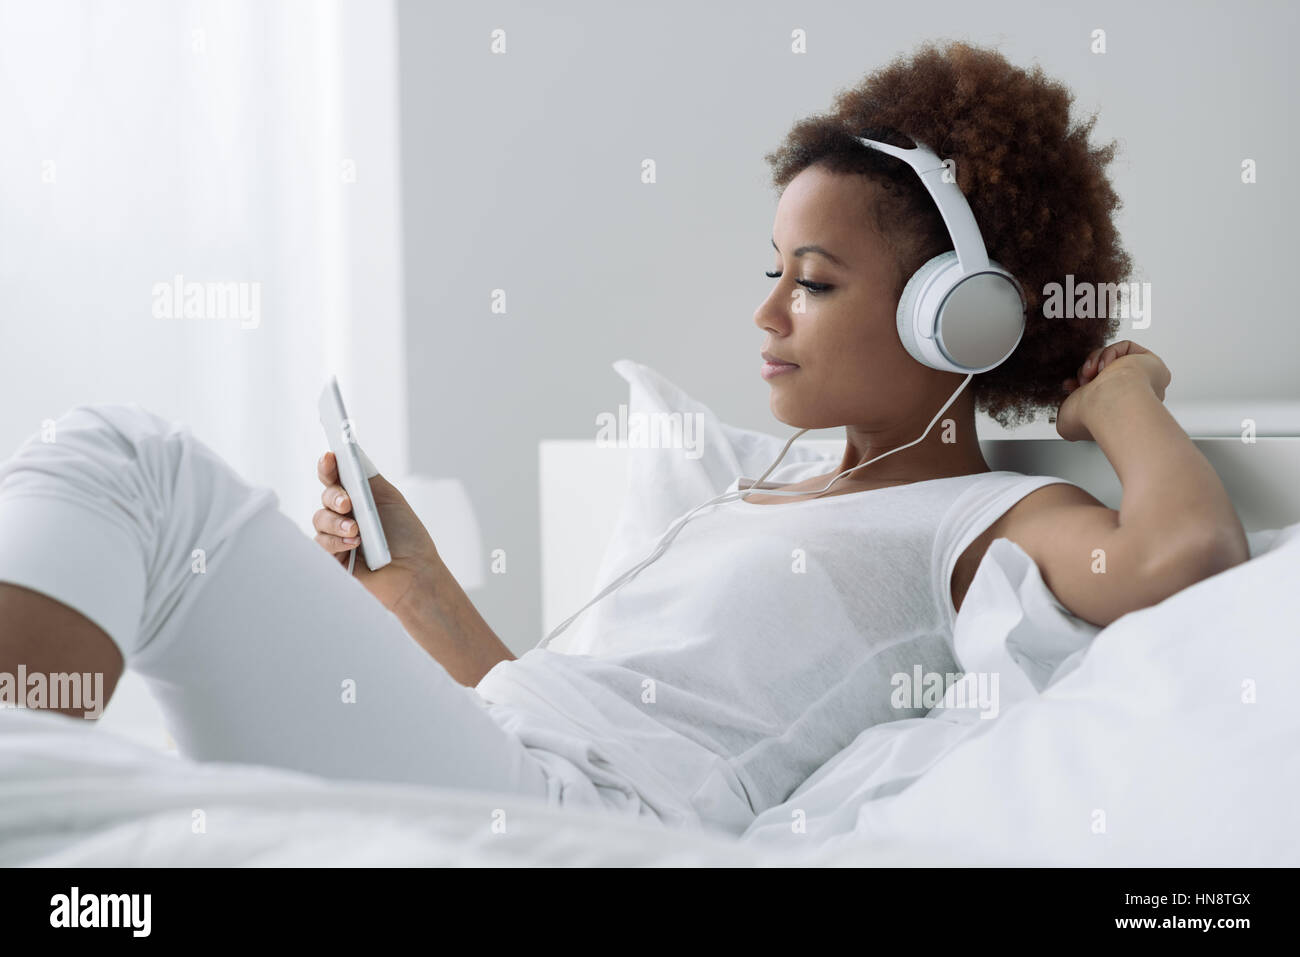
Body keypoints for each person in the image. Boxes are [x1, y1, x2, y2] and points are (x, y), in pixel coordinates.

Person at [0, 41, 1249, 836]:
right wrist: (419, 591)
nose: (764, 312)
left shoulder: (981, 521)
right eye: (773, 270)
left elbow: (1181, 556)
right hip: (517, 777)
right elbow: (567, 715)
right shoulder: (761, 489)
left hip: (570, 826)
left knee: (137, 473)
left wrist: (1121, 393)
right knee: (144, 512)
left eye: (812, 281)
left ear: (957, 317)